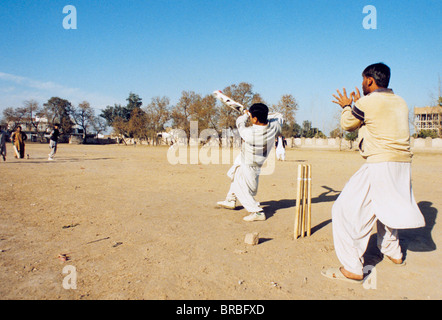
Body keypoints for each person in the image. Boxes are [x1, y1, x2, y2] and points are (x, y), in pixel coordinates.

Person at [322, 63, 425, 283]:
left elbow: (347, 124)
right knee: (387, 208)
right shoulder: (400, 101)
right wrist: (360, 102)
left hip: (380, 163)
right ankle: (393, 252)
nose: (362, 84)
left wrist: (347, 106)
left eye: (363, 81)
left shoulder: (367, 102)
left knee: (342, 209)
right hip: (402, 164)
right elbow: (377, 117)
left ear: (369, 80)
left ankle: (352, 268)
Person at [217, 103, 283, 222]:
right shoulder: (275, 127)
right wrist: (253, 114)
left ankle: (256, 211)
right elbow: (279, 115)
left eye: (253, 117)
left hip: (249, 163)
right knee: (236, 172)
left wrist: (245, 115)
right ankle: (230, 199)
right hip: (255, 160)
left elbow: (239, 123)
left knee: (241, 186)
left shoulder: (249, 134)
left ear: (255, 119)